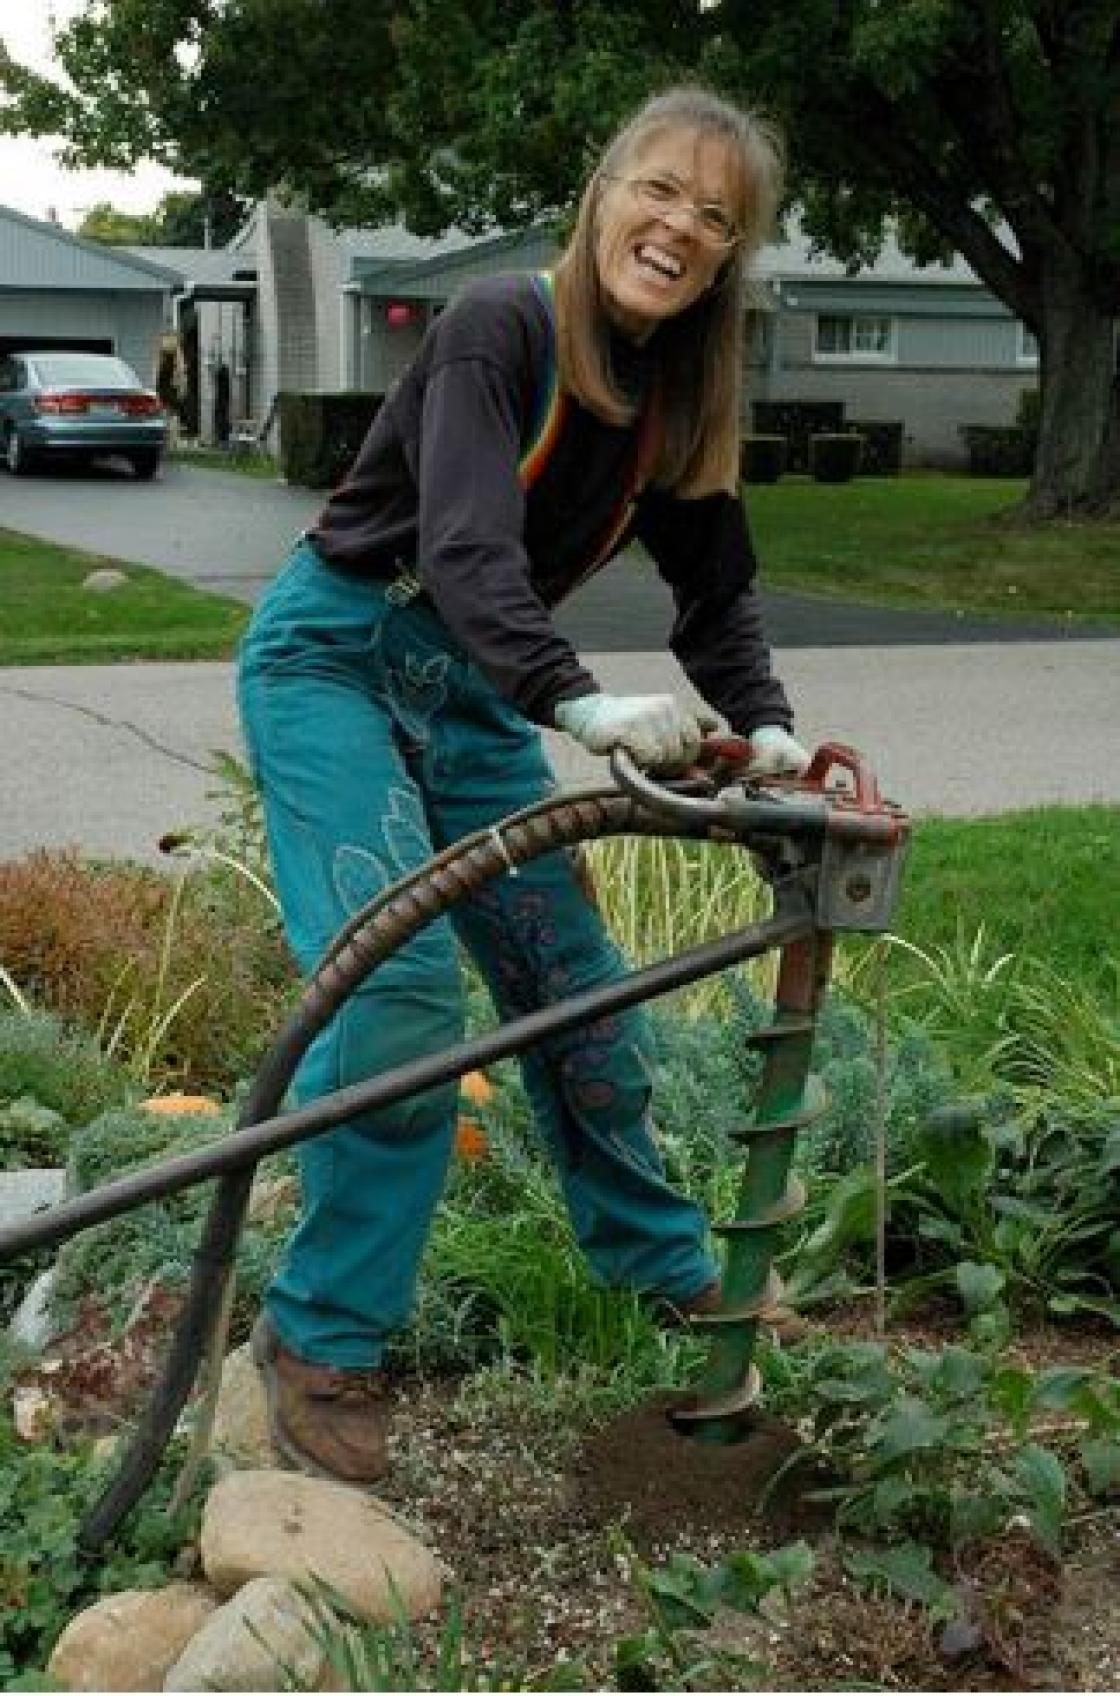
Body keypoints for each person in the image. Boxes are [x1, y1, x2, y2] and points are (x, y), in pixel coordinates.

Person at [237, 82, 810, 1486]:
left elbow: (716, 601)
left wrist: (775, 731)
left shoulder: (677, 393)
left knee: (576, 994)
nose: (679, 227)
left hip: (483, 692)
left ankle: (663, 1262)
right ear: (605, 192)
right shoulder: (502, 327)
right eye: (660, 190)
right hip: (339, 658)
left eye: (716, 218)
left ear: (728, 261)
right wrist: (580, 698)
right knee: (399, 1002)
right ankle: (319, 1338)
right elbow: (471, 546)